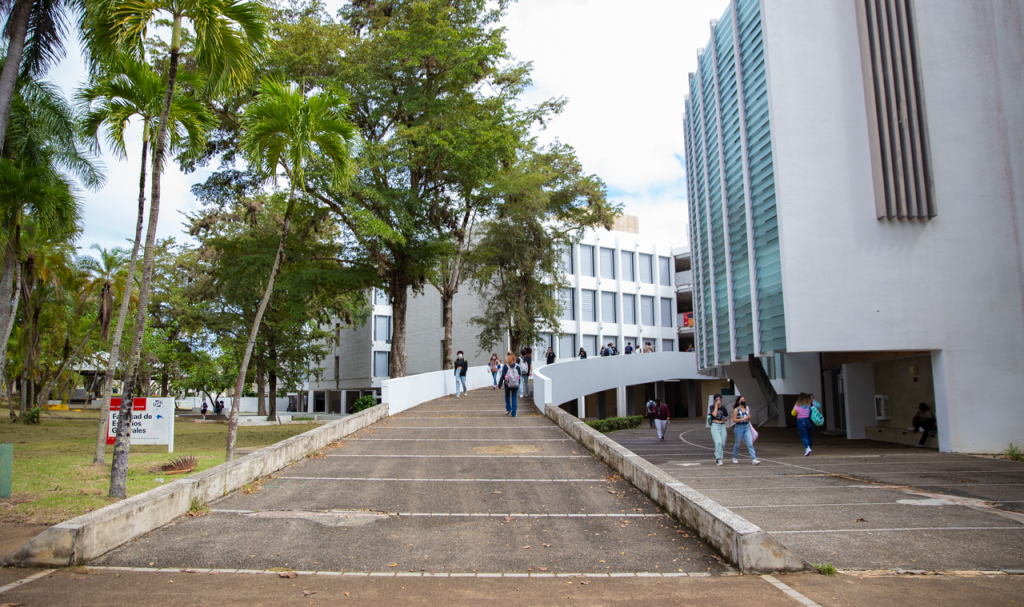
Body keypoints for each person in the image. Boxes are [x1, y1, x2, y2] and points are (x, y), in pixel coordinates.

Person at [731, 397, 760, 465]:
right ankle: (735, 457)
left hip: (747, 426)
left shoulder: (747, 408)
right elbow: (734, 420)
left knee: (750, 443)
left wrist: (748, 417)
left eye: (744, 400)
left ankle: (753, 458)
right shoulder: (736, 409)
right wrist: (743, 418)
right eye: (742, 400)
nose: (743, 401)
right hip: (739, 427)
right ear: (738, 402)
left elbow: (749, 417)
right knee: (737, 444)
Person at [498, 353, 522, 417]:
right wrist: (518, 383)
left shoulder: (505, 366)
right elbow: (519, 376)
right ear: (514, 359)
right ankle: (514, 413)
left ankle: (508, 408)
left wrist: (499, 385)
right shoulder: (517, 366)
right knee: (514, 397)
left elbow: (502, 376)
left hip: (507, 384)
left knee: (507, 396)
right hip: (516, 384)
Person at [708, 395, 728, 466]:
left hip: (722, 425)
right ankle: (718, 458)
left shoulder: (723, 408)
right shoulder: (712, 407)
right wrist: (716, 406)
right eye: (717, 399)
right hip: (715, 425)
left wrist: (724, 418)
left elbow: (726, 417)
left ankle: (717, 452)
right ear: (714, 400)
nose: (718, 401)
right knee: (718, 442)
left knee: (722, 443)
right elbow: (714, 414)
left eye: (719, 399)